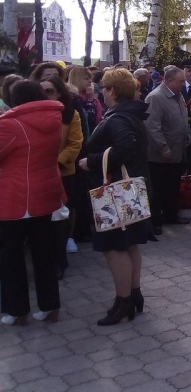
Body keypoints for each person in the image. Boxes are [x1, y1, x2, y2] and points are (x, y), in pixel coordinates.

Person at [78, 68, 153, 325]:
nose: (100, 90)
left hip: (115, 194)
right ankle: (133, 295)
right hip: (127, 191)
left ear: (110, 90)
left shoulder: (117, 118)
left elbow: (123, 150)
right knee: (128, 243)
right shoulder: (128, 114)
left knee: (114, 247)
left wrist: (91, 161)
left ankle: (123, 302)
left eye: (104, 87)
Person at [0, 81, 64, 326]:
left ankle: (17, 311)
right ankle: (50, 306)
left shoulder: (11, 124)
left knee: (11, 256)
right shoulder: (54, 119)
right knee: (43, 253)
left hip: (14, 197)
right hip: (45, 193)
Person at [40, 76, 84, 272]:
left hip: (63, 172)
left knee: (60, 218)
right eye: (42, 91)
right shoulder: (33, 113)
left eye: (50, 91)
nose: (45, 95)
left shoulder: (70, 114)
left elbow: (75, 144)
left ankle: (59, 260)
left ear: (59, 93)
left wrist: (56, 162)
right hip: (38, 173)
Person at [144, 65, 191, 234]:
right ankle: (155, 220)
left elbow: (182, 119)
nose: (183, 84)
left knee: (172, 185)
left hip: (177, 151)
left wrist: (187, 134)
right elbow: (152, 126)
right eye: (180, 81)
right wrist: (163, 147)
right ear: (169, 80)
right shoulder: (156, 97)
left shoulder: (177, 96)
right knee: (158, 187)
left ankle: (171, 215)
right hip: (160, 154)